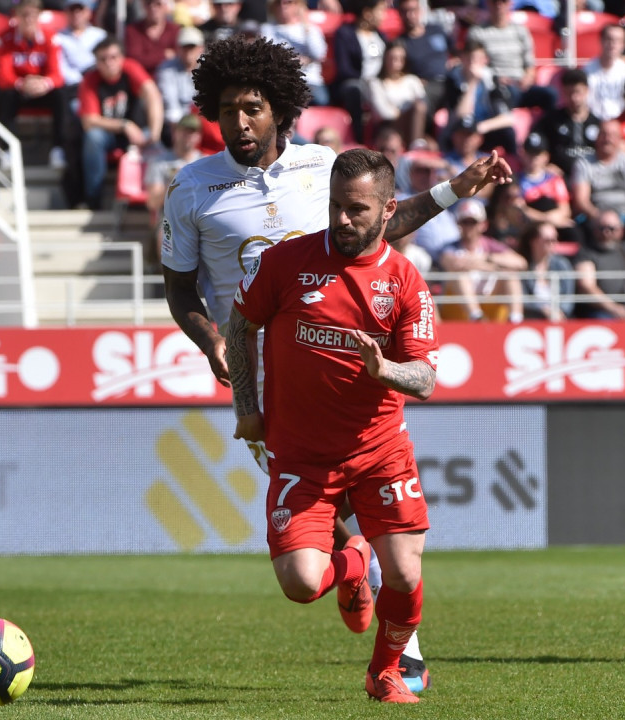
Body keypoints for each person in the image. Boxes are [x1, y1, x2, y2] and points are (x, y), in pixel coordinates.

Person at [162, 36, 512, 693]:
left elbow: (381, 223)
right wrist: (210, 340)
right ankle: (355, 568)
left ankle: (399, 651)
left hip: (343, 364)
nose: (239, 122)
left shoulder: (321, 167)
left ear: (280, 110)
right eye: (227, 110)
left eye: (252, 108)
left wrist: (452, 191)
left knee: (368, 503)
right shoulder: (191, 188)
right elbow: (179, 288)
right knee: (330, 509)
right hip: (262, 374)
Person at [224, 148, 440, 704]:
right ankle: (354, 560)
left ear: (388, 209)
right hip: (301, 455)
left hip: (380, 451)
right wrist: (247, 408)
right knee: (300, 584)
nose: (342, 219)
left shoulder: (406, 282)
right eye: (335, 206)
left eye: (357, 209)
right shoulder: (285, 262)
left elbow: (424, 379)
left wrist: (385, 370)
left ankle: (384, 673)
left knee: (405, 574)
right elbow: (239, 327)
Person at [78, 38, 164, 210]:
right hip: (108, 135)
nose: (109, 63)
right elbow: (88, 121)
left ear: (122, 57)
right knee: (92, 138)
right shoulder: (90, 80)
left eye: (113, 57)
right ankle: (93, 198)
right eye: (103, 59)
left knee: (159, 145)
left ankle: (155, 202)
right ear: (96, 62)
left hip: (139, 132)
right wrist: (124, 125)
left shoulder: (130, 69)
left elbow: (152, 95)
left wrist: (155, 133)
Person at [0, 0, 71, 170]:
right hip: (18, 90)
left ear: (39, 16)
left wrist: (44, 83)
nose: (28, 19)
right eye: (24, 15)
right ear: (16, 15)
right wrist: (21, 84)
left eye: (32, 15)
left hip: (42, 90)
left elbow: (56, 74)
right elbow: (3, 74)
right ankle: (8, 150)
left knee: (61, 94)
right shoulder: (6, 38)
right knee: (5, 95)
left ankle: (58, 149)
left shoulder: (50, 38)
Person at [438, 197, 528, 322]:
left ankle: (516, 319)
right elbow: (453, 264)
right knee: (459, 276)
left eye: (473, 222)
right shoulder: (450, 247)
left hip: (489, 301)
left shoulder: (491, 245)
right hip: (456, 311)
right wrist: (491, 265)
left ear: (483, 225)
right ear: (458, 224)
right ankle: (476, 317)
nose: (469, 227)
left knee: (510, 276)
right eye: (465, 222)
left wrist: (486, 258)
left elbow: (521, 263)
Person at [466, 0, 556, 111]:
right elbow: (475, 65)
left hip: (519, 85)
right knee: (506, 94)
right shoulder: (477, 33)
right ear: (488, 4)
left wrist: (527, 79)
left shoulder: (521, 31)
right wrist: (495, 79)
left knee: (550, 94)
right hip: (494, 86)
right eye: (494, 2)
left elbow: (529, 65)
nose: (499, 5)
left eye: (503, 1)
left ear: (510, 3)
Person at [145, 113, 206, 266]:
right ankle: (168, 278)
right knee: (164, 235)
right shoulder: (160, 163)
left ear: (199, 136)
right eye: (184, 131)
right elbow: (152, 203)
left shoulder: (206, 163)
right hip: (170, 217)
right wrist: (174, 183)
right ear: (175, 133)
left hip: (201, 216)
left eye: (192, 132)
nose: (188, 136)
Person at [331, 0, 389, 145]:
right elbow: (344, 69)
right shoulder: (344, 34)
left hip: (380, 83)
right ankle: (359, 138)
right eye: (380, 10)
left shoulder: (381, 36)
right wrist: (367, 82)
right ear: (367, 13)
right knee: (355, 89)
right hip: (357, 82)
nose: (383, 15)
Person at [571, 119, 625, 225]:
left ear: (620, 139)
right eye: (604, 134)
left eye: (613, 135)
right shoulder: (584, 163)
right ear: (597, 137)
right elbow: (582, 201)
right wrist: (601, 218)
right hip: (595, 217)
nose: (608, 139)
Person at [396, 0, 455, 133]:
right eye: (405, 11)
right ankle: (417, 141)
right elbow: (398, 71)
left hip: (450, 80)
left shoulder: (436, 30)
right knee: (420, 105)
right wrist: (414, 80)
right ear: (399, 14)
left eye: (413, 10)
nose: (410, 15)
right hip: (426, 85)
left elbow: (456, 52)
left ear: (420, 11)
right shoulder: (401, 42)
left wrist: (455, 61)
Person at [260, 0, 329, 107]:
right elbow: (267, 57)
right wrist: (294, 61)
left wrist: (305, 25)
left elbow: (319, 54)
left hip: (309, 80)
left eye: (288, 2)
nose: (283, 6)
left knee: (321, 100)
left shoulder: (310, 29)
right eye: (278, 3)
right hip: (279, 80)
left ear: (298, 5)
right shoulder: (267, 29)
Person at [535, 68, 602, 178]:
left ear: (586, 90)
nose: (574, 98)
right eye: (569, 93)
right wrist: (545, 165)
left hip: (593, 178)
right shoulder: (551, 120)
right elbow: (535, 146)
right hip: (560, 178)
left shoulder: (598, 123)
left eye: (577, 92)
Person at [362, 43, 427, 149]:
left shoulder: (412, 80)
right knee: (391, 141)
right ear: (385, 59)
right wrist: (403, 112)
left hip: (412, 127)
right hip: (388, 126)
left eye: (400, 58)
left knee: (432, 146)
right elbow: (383, 113)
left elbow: (422, 106)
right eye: (392, 58)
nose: (395, 62)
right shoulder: (376, 83)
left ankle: (416, 144)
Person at [518, 220, 575, 321]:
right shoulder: (522, 265)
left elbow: (568, 297)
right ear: (533, 241)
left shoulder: (562, 264)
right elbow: (522, 298)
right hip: (531, 319)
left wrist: (559, 312)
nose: (553, 243)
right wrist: (542, 309)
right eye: (548, 240)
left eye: (555, 239)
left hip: (560, 318)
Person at [157, 26, 205, 137]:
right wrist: (184, 129)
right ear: (178, 48)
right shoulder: (166, 69)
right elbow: (170, 105)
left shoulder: (209, 68)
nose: (188, 51)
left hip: (203, 123)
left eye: (192, 47)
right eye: (184, 47)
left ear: (200, 48)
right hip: (176, 127)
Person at [585, 24, 625, 122]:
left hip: (620, 122)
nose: (612, 44)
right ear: (601, 40)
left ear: (623, 44)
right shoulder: (587, 70)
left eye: (618, 40)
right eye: (609, 39)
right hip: (593, 121)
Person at [125, 0, 181, 76]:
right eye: (148, 3)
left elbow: (179, 58)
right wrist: (163, 55)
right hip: (142, 79)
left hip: (171, 78)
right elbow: (134, 61)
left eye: (158, 4)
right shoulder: (133, 31)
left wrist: (147, 56)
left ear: (165, 6)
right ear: (143, 6)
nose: (153, 7)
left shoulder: (175, 30)